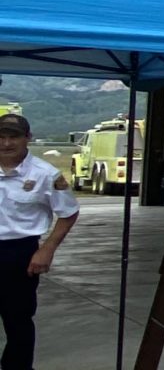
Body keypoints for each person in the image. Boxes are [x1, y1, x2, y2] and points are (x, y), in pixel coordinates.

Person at [0, 114, 79, 369]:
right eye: (1, 137)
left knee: (18, 320)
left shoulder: (46, 174)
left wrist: (47, 249)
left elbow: (68, 212)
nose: (6, 143)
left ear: (28, 138)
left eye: (14, 137)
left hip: (19, 254)